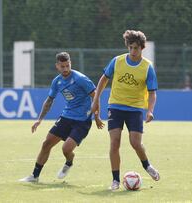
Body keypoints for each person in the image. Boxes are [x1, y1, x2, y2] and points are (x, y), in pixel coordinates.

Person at [19, 52, 104, 183]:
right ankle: (34, 176)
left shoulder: (80, 79)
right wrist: (39, 119)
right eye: (62, 66)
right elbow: (49, 101)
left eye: (67, 66)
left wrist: (97, 117)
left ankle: (69, 162)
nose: (65, 69)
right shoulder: (57, 81)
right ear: (57, 66)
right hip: (66, 117)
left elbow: (96, 96)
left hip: (82, 121)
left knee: (66, 149)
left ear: (70, 64)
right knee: (46, 144)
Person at [91, 30, 160, 191]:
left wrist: (150, 111)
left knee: (135, 143)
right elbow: (104, 79)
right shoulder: (117, 61)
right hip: (115, 106)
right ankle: (115, 180)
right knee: (115, 142)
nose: (133, 51)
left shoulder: (147, 67)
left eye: (136, 48)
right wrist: (96, 99)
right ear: (127, 46)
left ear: (142, 48)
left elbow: (152, 93)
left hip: (135, 108)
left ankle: (147, 166)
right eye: (130, 47)